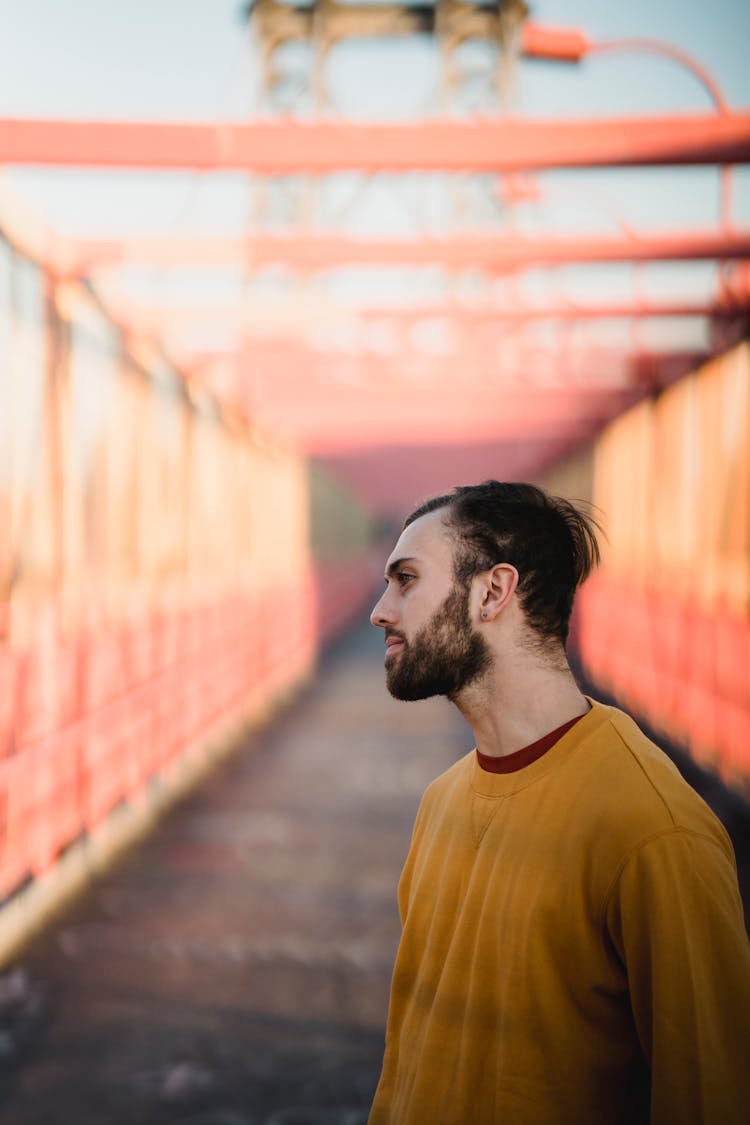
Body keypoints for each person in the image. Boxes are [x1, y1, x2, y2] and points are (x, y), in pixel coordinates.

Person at [367, 481, 750, 1125]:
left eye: (406, 579)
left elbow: (711, 1095)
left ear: (493, 592)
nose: (380, 610)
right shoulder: (442, 802)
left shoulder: (653, 827)